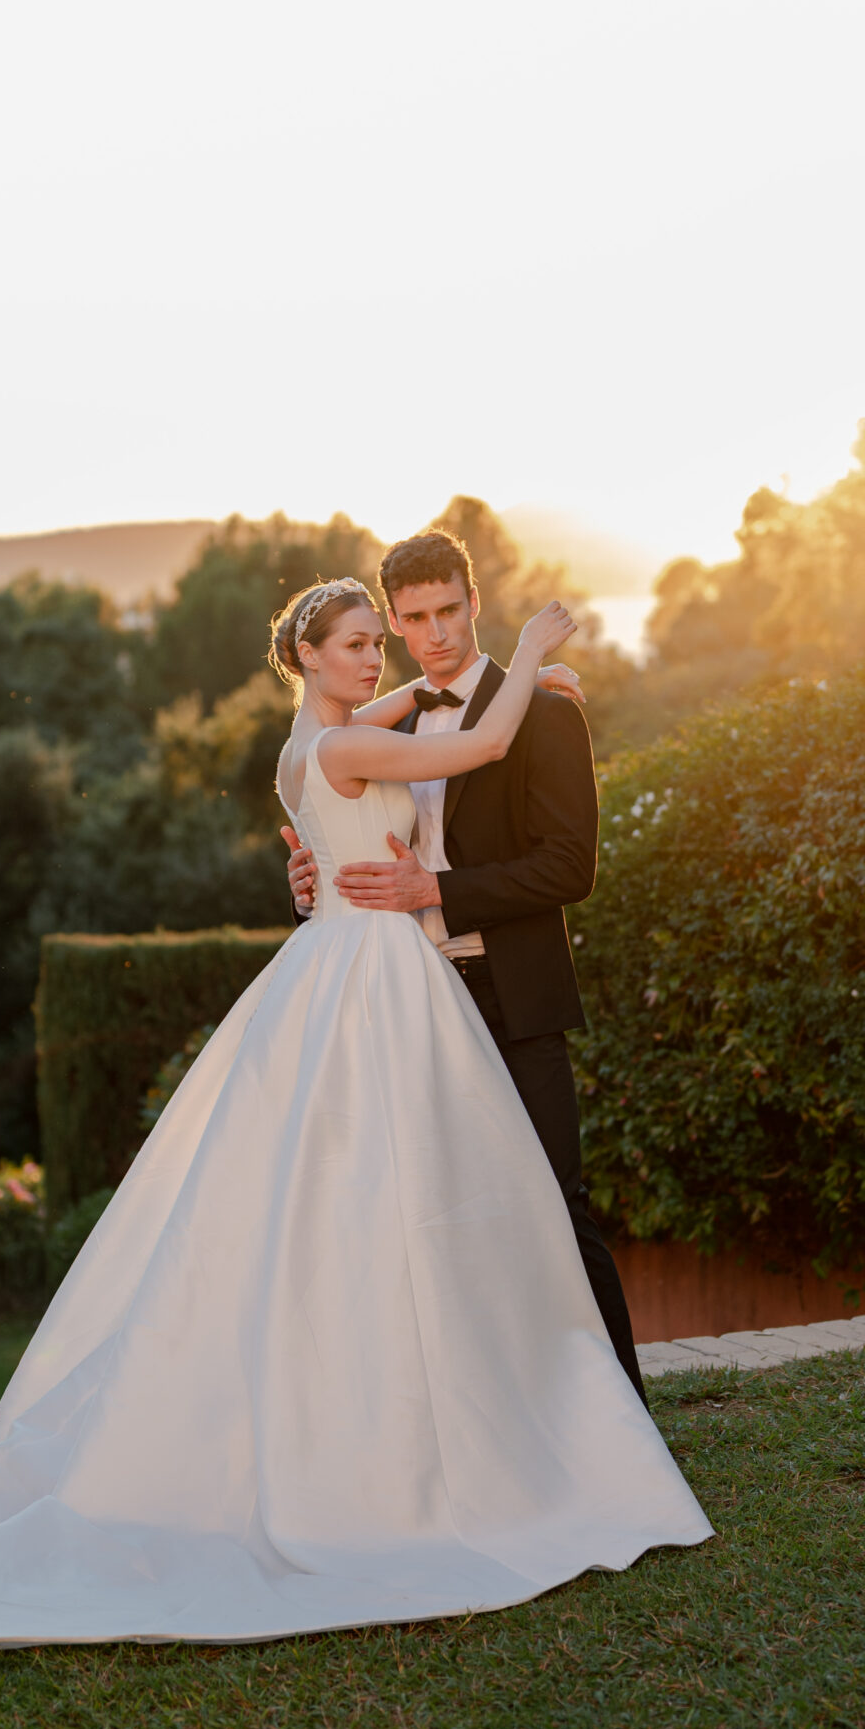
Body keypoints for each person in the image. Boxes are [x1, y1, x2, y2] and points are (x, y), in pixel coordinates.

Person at [0, 578, 710, 1649]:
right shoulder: (334, 748)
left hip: (377, 980)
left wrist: (494, 685)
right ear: (308, 660)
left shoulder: (322, 739)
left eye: (391, 636)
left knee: (421, 1207)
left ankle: (504, 1427)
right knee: (385, 1206)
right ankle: (413, 1450)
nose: (381, 655)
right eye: (360, 641)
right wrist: (532, 652)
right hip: (376, 984)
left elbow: (421, 715)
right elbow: (466, 746)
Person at [283, 528, 645, 1399]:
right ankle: (500, 1413)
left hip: (513, 996)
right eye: (413, 619)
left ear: (474, 603)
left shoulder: (546, 712)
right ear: (398, 625)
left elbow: (570, 869)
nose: (435, 632)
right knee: (443, 1222)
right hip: (412, 999)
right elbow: (333, 816)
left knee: (557, 1211)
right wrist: (308, 881)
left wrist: (433, 890)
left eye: (449, 610)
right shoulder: (387, 719)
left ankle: (623, 1414)